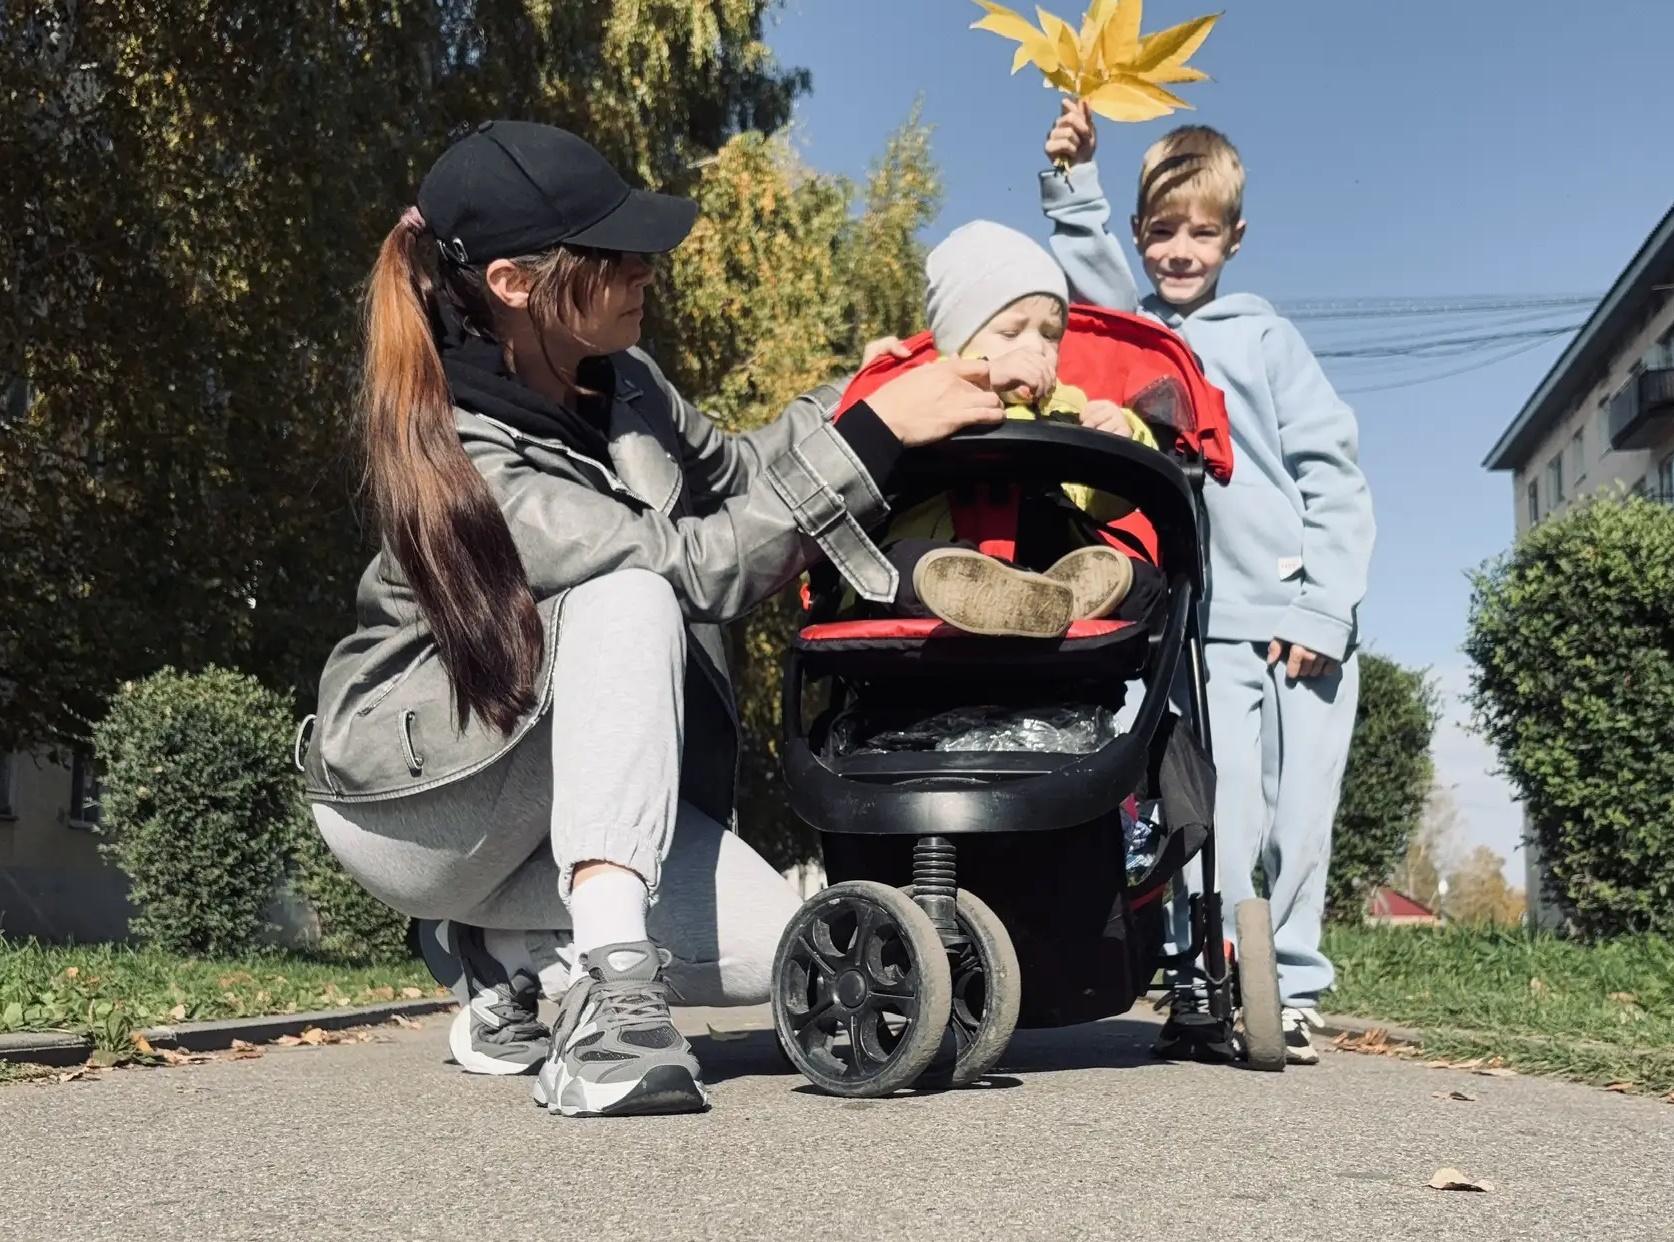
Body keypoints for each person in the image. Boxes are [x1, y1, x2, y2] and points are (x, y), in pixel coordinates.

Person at [301, 120, 1008, 1117]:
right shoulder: (464, 446)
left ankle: (505, 956)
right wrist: (871, 438)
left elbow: (740, 476)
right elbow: (693, 567)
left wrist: (862, 394)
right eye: (613, 253)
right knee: (630, 592)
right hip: (422, 807)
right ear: (513, 282)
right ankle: (610, 1008)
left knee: (776, 949)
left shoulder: (621, 376)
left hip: (539, 791)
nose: (645, 268)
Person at [1039, 97, 1375, 1064]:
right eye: (1160, 230)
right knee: (1209, 812)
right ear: (1139, 232)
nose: (1178, 250)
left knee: (1298, 815)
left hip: (1301, 619)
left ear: (1234, 237)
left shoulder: (1267, 341)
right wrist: (1073, 180)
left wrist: (1324, 604)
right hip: (1204, 626)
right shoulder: (1145, 343)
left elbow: (1333, 474)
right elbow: (1096, 283)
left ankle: (1291, 986)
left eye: (1200, 231)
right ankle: (1205, 979)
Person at [865, 220, 1167, 637]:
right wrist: (986, 375)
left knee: (1141, 581)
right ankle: (998, 595)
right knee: (900, 570)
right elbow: (880, 435)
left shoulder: (1068, 407)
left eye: (1051, 335)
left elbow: (1101, 503)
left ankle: (1046, 598)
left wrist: (1125, 435)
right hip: (943, 552)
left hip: (1044, 558)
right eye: (1010, 332)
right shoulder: (929, 384)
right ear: (957, 341)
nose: (1036, 347)